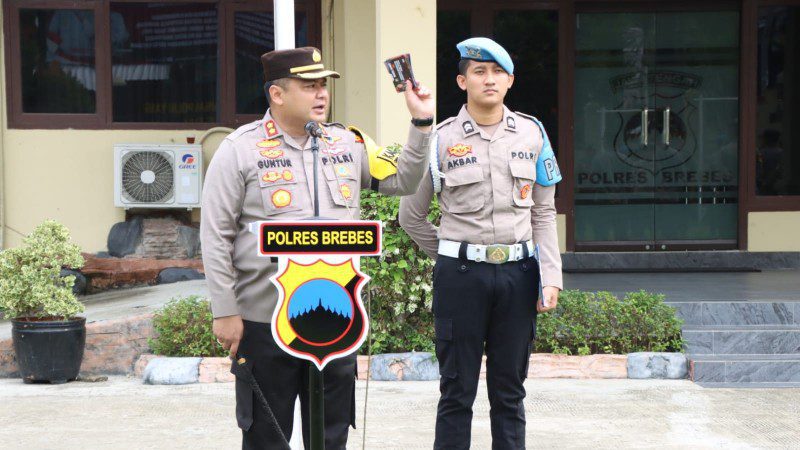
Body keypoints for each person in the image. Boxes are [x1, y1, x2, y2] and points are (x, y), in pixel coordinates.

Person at [201, 46, 434, 449]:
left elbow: (405, 181)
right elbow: (216, 234)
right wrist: (225, 311)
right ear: (277, 94)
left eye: (323, 85)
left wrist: (421, 120)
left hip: (336, 317)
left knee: (330, 435)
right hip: (264, 318)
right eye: (309, 85)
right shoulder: (240, 149)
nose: (321, 94)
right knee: (266, 435)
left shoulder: (347, 143)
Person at [398, 37, 563, 449]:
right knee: (456, 392)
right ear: (461, 80)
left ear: (509, 80)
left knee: (510, 392)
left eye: (497, 72)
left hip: (519, 275)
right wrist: (454, 254)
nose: (489, 79)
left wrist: (551, 276)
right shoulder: (439, 140)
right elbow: (410, 216)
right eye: (478, 71)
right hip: (462, 278)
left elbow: (543, 212)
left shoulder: (532, 133)